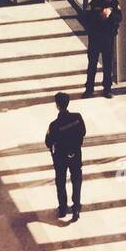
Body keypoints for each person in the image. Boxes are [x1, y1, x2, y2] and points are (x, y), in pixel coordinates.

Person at [45, 91, 85, 220]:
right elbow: (83, 132)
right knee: (76, 180)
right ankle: (76, 207)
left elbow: (48, 142)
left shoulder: (54, 125)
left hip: (60, 158)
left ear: (57, 105)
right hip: (75, 154)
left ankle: (62, 208)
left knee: (61, 182)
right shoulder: (77, 117)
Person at [83, 0, 122, 99]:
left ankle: (107, 89)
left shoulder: (115, 4)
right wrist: (99, 16)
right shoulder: (95, 3)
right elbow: (86, 18)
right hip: (95, 38)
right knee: (92, 64)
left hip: (108, 38)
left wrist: (110, 15)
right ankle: (89, 88)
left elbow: (119, 17)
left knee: (108, 65)